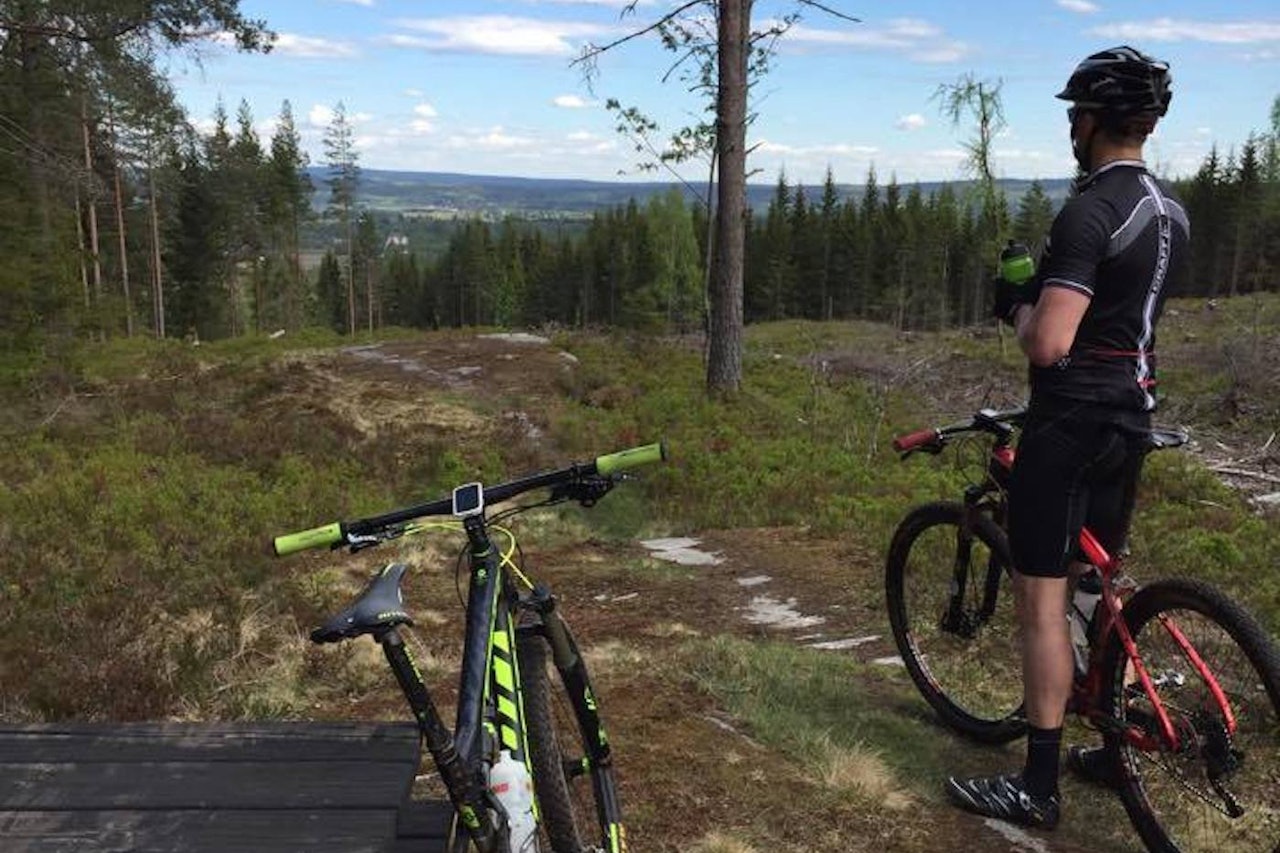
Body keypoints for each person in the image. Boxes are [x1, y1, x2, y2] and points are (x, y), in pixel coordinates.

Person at [944, 45, 1190, 829]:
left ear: (1091, 122)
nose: (1070, 127)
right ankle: (1111, 750)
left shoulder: (1089, 210)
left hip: (1071, 421)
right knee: (1095, 589)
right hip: (1133, 416)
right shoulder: (1170, 211)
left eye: (1073, 114)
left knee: (1042, 603)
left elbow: (1049, 342)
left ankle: (1038, 784)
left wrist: (1013, 304)